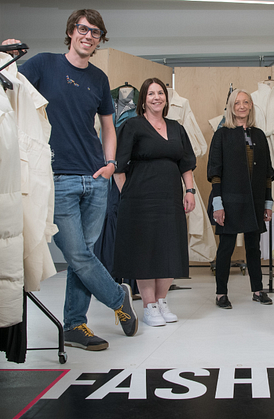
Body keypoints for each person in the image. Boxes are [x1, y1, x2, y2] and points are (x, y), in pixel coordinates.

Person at [4, 9, 138, 351]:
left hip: (95, 177)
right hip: (57, 177)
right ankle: (117, 298)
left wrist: (110, 164)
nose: (88, 35)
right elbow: (8, 83)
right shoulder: (45, 64)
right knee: (77, 254)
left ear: (99, 40)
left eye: (95, 32)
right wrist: (4, 57)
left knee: (85, 254)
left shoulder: (99, 78)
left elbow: (108, 126)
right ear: (71, 32)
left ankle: (75, 325)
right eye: (82, 28)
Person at [113, 78, 197, 327]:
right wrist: (126, 193)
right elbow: (119, 166)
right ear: (143, 100)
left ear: (166, 98)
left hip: (170, 198)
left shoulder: (176, 127)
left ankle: (162, 301)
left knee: (169, 249)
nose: (157, 97)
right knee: (145, 251)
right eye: (151, 94)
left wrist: (190, 190)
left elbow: (186, 163)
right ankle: (148, 305)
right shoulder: (132, 126)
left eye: (160, 93)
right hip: (140, 199)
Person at [207, 89, 274, 309]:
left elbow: (267, 173)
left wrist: (268, 203)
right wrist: (218, 204)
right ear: (231, 106)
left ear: (251, 106)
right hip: (229, 200)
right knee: (226, 247)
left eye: (246, 102)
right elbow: (215, 172)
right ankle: (220, 293)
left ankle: (258, 290)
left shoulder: (259, 135)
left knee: (253, 247)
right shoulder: (222, 134)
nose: (242, 106)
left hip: (254, 200)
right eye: (237, 102)